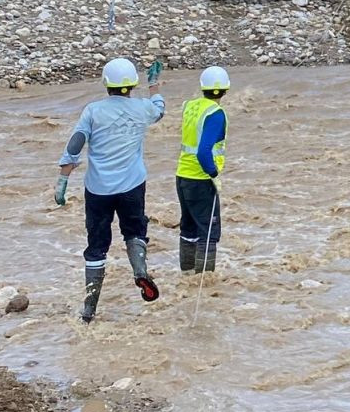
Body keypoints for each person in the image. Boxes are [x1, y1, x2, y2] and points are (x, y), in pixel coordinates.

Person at [55, 57, 165, 323]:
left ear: (106, 83)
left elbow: (76, 143)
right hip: (132, 186)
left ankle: (89, 308)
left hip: (98, 190)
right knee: (135, 231)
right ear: (132, 84)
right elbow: (159, 109)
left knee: (96, 246)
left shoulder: (93, 111)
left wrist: (62, 181)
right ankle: (140, 270)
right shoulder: (142, 109)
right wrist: (154, 85)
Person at [176, 66, 230, 274]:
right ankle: (205, 281)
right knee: (208, 233)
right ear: (225, 89)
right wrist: (214, 174)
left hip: (182, 176)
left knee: (189, 229)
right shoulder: (216, 114)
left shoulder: (190, 106)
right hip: (202, 179)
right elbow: (203, 151)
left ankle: (187, 274)